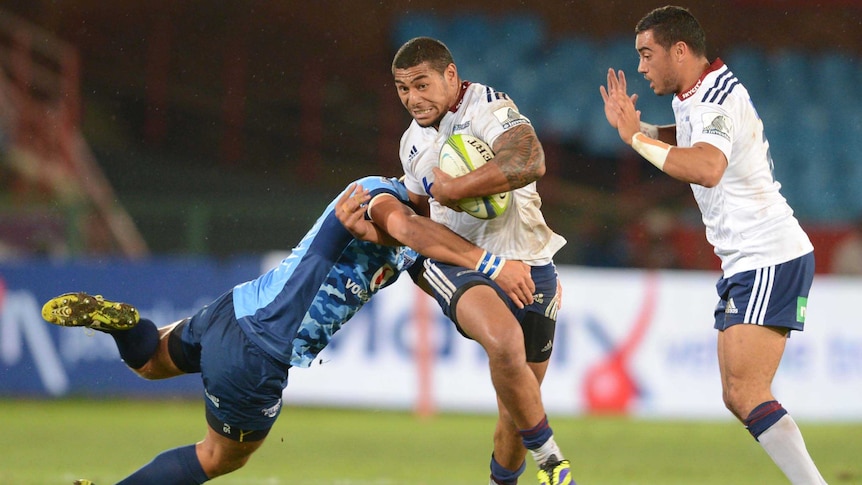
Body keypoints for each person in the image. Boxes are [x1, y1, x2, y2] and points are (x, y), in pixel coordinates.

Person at [41, 175, 537, 485]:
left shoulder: (419, 237)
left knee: (149, 362)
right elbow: (397, 229)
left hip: (234, 311)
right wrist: (491, 262)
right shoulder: (379, 196)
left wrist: (484, 307)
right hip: (261, 349)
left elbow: (429, 264)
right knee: (219, 457)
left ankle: (123, 325)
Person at [600, 6, 826, 484]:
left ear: (679, 51)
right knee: (738, 394)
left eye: (647, 54)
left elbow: (706, 166)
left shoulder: (714, 100)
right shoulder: (697, 92)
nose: (641, 67)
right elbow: (689, 138)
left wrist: (635, 141)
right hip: (749, 259)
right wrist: (637, 130)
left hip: (768, 254)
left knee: (747, 392)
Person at [386, 36, 572, 485]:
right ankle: (551, 460)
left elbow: (529, 158)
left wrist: (456, 188)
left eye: (422, 84)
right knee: (504, 340)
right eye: (402, 88)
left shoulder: (486, 106)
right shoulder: (411, 143)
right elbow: (415, 215)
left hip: (530, 264)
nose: (413, 98)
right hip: (461, 264)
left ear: (451, 76)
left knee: (516, 412)